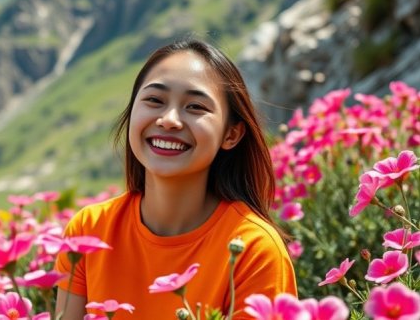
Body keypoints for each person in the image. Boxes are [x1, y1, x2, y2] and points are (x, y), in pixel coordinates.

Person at [54, 38, 296, 319]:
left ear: (231, 135)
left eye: (195, 107)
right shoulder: (89, 230)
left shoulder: (255, 250)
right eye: (154, 100)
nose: (169, 119)